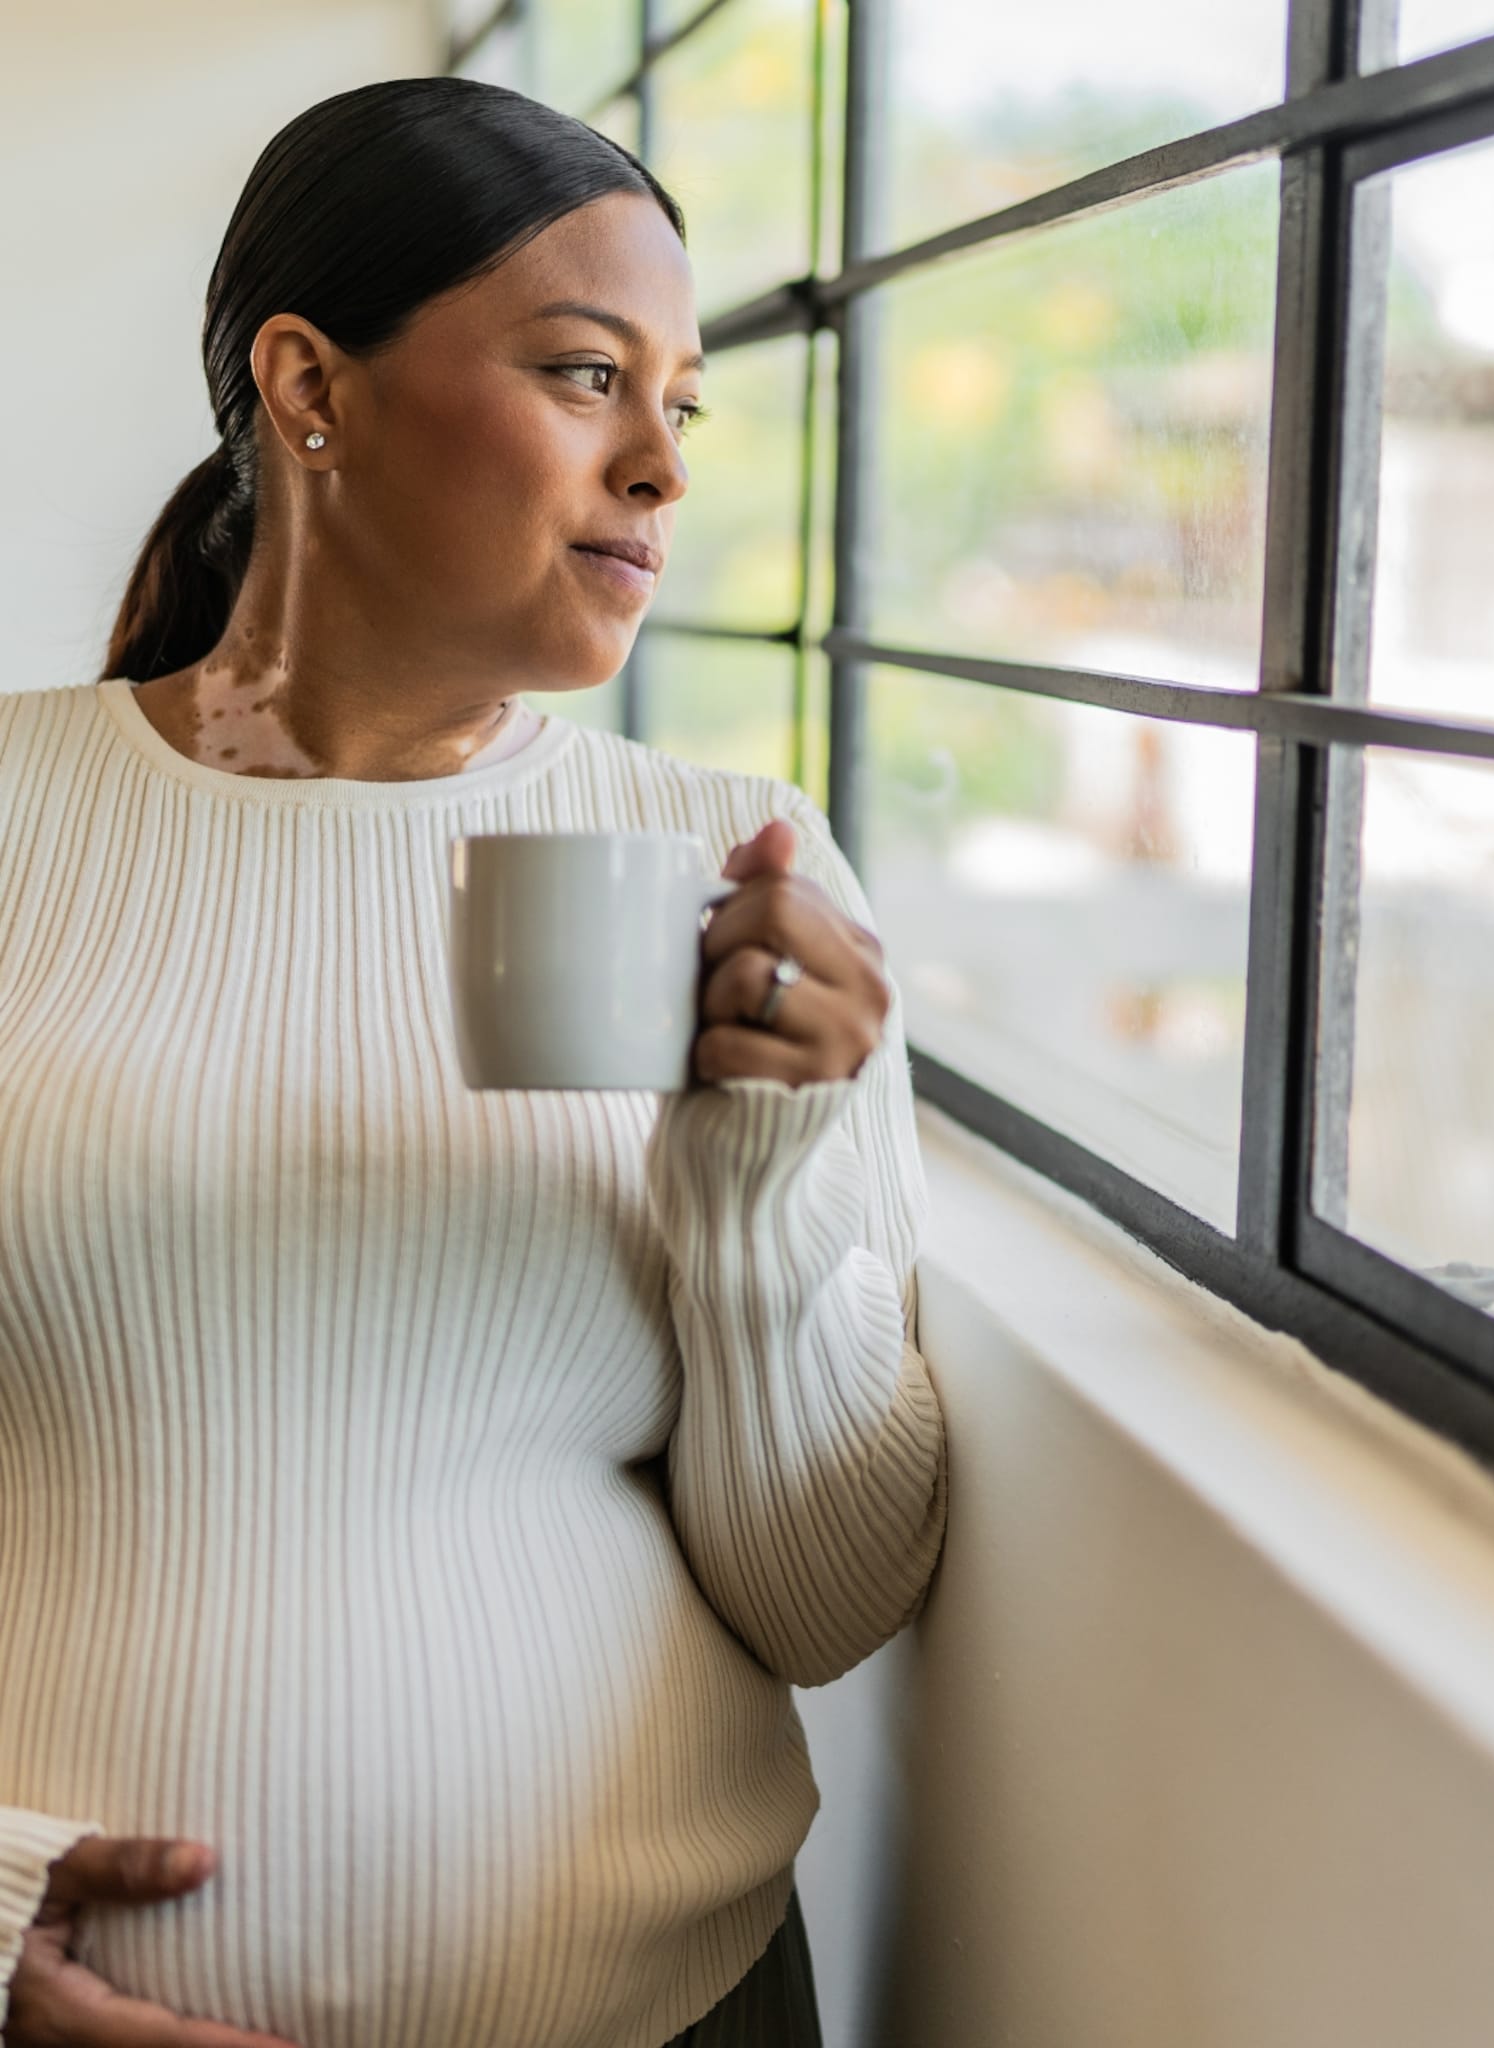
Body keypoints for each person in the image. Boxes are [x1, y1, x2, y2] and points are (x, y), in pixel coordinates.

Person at [0, 76, 946, 2048]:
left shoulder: (728, 857)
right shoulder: (12, 818)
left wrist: (762, 1163)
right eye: (587, 375)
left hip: (671, 2010)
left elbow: (830, 1599)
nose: (663, 472)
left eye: (678, 405)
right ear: (309, 385)